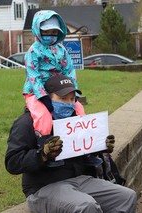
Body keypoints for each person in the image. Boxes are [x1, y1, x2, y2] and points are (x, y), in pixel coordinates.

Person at [5, 74, 137, 213]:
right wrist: (42, 155)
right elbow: (12, 163)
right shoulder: (27, 122)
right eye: (62, 98)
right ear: (47, 99)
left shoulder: (76, 120)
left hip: (80, 180)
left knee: (127, 197)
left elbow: (83, 150)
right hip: (43, 187)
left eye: (72, 99)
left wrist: (100, 147)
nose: (68, 103)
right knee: (86, 206)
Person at [23, 10, 85, 142]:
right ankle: (44, 144)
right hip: (35, 91)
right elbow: (33, 75)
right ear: (38, 30)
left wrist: (73, 91)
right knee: (43, 116)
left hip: (60, 88)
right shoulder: (33, 51)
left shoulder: (61, 50)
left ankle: (82, 143)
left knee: (79, 110)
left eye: (54, 32)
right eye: (46, 32)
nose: (50, 36)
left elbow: (69, 70)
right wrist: (43, 97)